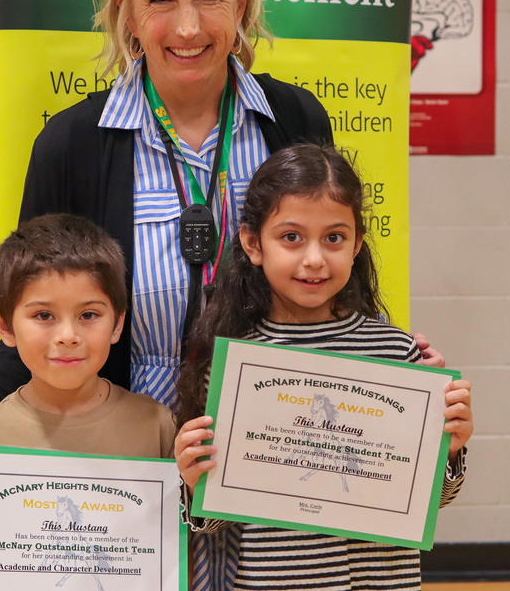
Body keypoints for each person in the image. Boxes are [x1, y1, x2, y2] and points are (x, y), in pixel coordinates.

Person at [0, 0, 444, 588]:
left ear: (242, 5)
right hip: (130, 481)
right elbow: (37, 314)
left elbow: (329, 292)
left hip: (272, 487)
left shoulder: (296, 121)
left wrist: (404, 386)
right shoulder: (72, 146)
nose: (187, 27)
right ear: (126, 13)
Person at [174, 144, 473, 591]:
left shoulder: (398, 355)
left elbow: (435, 501)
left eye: (333, 238)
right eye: (291, 237)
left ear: (357, 245)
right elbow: (212, 524)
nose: (314, 259)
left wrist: (453, 448)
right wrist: (194, 480)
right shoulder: (235, 365)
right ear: (253, 243)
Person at [0, 214, 177, 584]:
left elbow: (176, 550)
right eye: (44, 315)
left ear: (117, 324)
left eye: (89, 314)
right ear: (4, 326)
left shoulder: (155, 425)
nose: (68, 335)